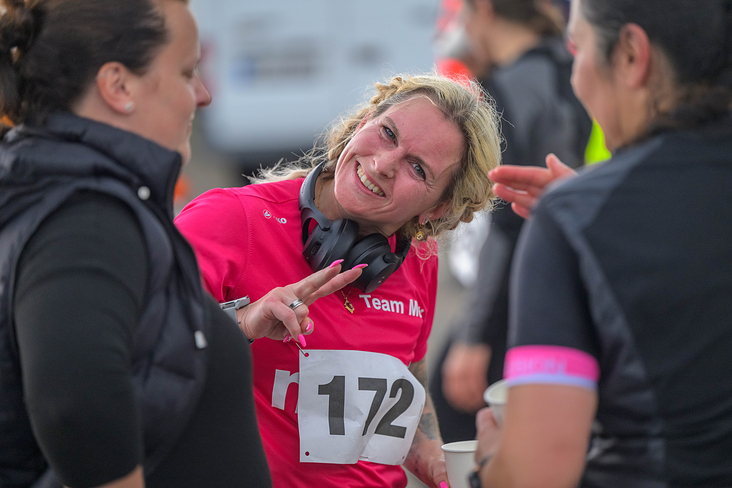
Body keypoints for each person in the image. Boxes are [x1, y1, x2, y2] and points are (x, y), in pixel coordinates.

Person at [0, 1, 362, 487]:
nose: (204, 94)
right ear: (118, 86)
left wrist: (240, 326)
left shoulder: (89, 195)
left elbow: (138, 355)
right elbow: (74, 405)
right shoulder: (87, 218)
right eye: (187, 71)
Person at [174, 73, 502, 488]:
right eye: (386, 133)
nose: (383, 164)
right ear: (362, 121)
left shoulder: (419, 262)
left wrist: (437, 460)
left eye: (417, 168)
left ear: (436, 209)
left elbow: (403, 387)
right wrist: (244, 324)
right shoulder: (230, 220)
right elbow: (141, 352)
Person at [473, 0, 732, 486]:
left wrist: (491, 461)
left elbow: (536, 474)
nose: (576, 76)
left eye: (579, 47)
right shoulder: (584, 218)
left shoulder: (574, 222)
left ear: (632, 54)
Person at [430, 0, 591, 443]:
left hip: (520, 290)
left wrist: (473, 335)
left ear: (482, 9)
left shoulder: (510, 83)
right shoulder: (576, 66)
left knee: (459, 410)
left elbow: (507, 218)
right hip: (580, 276)